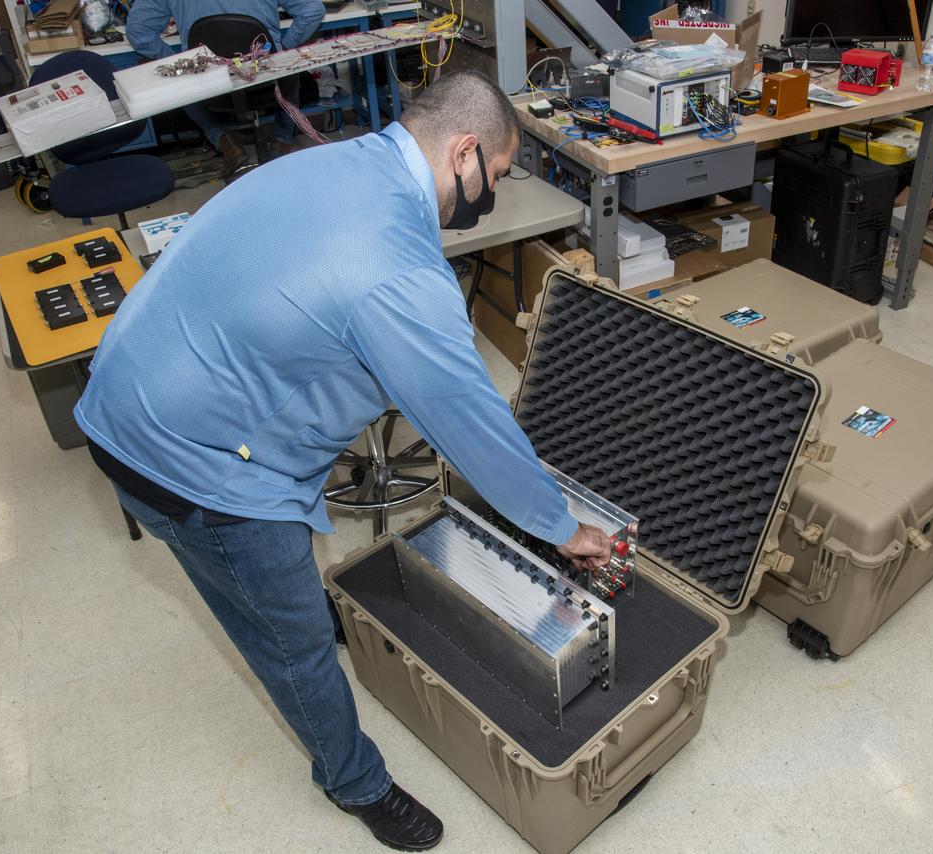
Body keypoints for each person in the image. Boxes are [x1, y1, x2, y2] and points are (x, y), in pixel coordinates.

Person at [73, 69, 613, 851]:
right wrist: (560, 527)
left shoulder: (331, 161)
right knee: (286, 638)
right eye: (493, 177)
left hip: (133, 383)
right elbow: (471, 423)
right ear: (463, 151)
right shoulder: (394, 263)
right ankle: (354, 782)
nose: (489, 195)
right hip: (184, 459)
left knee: (277, 595)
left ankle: (291, 609)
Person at [125, 0, 325, 178]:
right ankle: (282, 140)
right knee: (291, 66)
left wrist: (179, 62)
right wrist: (283, 49)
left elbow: (138, 32)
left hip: (210, 86)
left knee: (181, 83)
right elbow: (313, 11)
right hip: (265, 78)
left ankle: (225, 141)